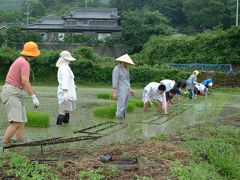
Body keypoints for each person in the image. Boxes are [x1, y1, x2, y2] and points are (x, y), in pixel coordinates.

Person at [1, 41, 40, 145]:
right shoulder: (24, 63)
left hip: (15, 92)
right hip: (12, 93)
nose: (34, 57)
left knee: (21, 122)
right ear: (31, 54)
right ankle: (5, 144)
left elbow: (21, 83)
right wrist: (33, 97)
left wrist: (32, 92)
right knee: (16, 122)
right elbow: (25, 82)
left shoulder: (20, 60)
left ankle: (19, 143)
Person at [56, 51, 77, 125]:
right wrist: (65, 93)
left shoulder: (65, 67)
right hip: (66, 93)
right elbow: (64, 81)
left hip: (68, 92)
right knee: (63, 110)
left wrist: (73, 85)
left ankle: (65, 125)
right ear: (64, 59)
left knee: (67, 110)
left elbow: (68, 80)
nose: (69, 61)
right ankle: (59, 126)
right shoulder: (64, 68)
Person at [112, 54, 135, 119]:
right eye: (126, 63)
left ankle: (122, 119)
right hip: (121, 90)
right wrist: (114, 93)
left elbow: (127, 81)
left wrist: (130, 90)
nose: (127, 64)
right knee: (120, 107)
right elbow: (115, 82)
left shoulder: (126, 69)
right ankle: (118, 121)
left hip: (127, 90)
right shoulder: (116, 69)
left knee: (125, 107)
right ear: (122, 61)